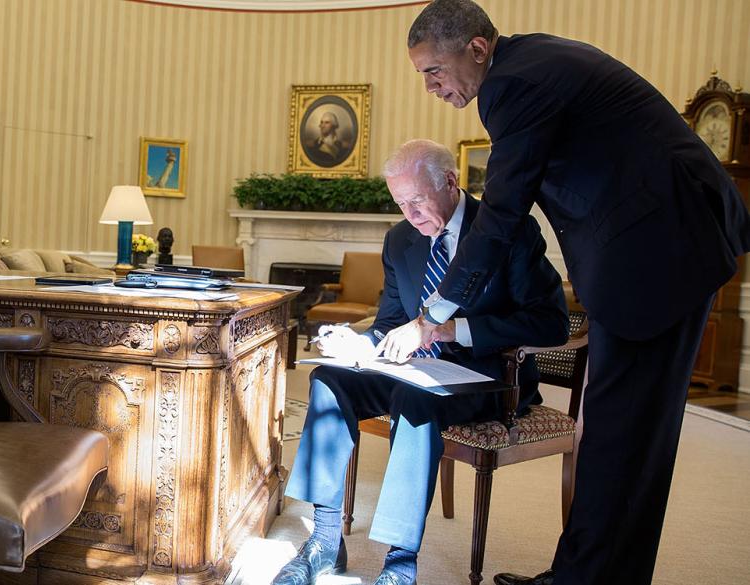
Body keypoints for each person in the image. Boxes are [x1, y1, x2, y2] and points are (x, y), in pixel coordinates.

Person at [379, 2, 750, 584]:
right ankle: (581, 574)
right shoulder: (528, 64)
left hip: (662, 254)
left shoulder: (514, 84)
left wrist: (430, 318)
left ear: (476, 50)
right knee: (617, 431)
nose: (430, 87)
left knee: (623, 432)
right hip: (656, 248)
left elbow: (500, 217)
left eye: (434, 70)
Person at [273, 139, 568, 585]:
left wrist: (451, 330)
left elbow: (551, 323)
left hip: (488, 375)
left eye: (416, 201)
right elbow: (391, 321)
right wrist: (359, 345)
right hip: (414, 370)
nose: (409, 215)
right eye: (400, 203)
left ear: (449, 182)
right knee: (329, 381)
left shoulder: (507, 231)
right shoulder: (400, 240)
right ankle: (325, 541)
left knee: (414, 399)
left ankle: (399, 564)